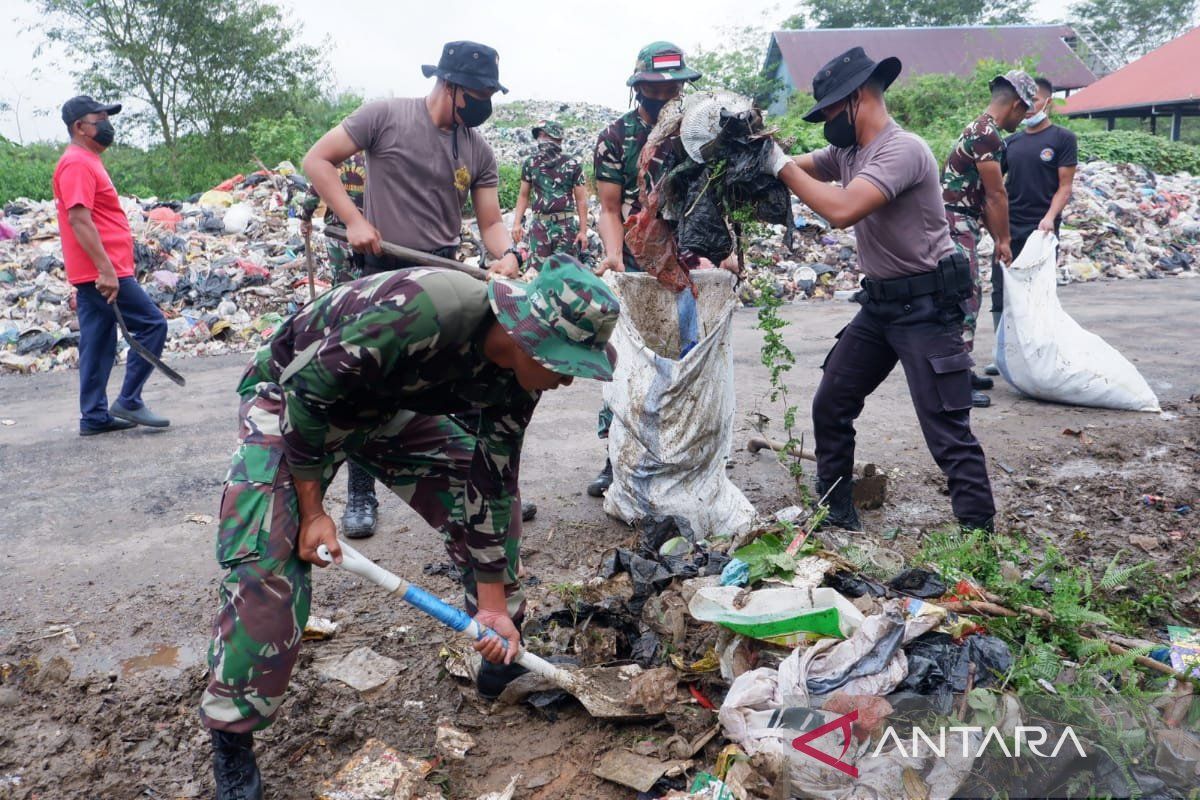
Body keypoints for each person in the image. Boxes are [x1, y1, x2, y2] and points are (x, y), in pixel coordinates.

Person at [199, 256, 620, 799]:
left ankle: (499, 659)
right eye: (565, 363)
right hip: (291, 402)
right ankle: (232, 737)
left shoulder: (521, 379)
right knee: (268, 562)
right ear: (527, 337)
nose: (568, 378)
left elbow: (490, 481)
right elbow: (309, 391)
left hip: (381, 411)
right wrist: (312, 512)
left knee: (493, 506)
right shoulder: (428, 309)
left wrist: (492, 606)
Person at [302, 41, 531, 537]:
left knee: (455, 381)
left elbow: (490, 221)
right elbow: (317, 161)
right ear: (448, 84)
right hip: (379, 270)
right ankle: (361, 496)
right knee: (365, 379)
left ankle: (483, 492)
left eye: (491, 92)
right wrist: (355, 219)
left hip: (442, 273)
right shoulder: (384, 117)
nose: (484, 102)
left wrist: (507, 254)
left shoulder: (476, 148)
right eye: (478, 92)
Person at [766, 47, 996, 533]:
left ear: (858, 98)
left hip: (928, 310)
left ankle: (980, 543)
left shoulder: (903, 149)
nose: (827, 119)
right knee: (832, 403)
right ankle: (836, 515)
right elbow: (802, 165)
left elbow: (844, 209)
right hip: (881, 308)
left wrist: (779, 166)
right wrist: (766, 155)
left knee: (946, 432)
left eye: (830, 108)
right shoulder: (846, 152)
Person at [587, 41, 702, 497]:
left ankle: (684, 453)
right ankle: (616, 457)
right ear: (641, 87)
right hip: (635, 260)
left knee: (684, 357)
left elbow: (712, 199)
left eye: (675, 84)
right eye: (658, 85)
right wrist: (615, 258)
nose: (668, 92)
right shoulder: (616, 137)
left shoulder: (695, 132)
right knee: (627, 363)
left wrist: (722, 254)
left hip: (687, 261)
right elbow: (609, 208)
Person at [53, 96, 170, 436]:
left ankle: (93, 416)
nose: (106, 124)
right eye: (99, 118)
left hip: (98, 269)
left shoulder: (85, 159)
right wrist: (106, 270)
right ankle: (129, 399)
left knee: (99, 341)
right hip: (103, 271)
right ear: (79, 127)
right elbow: (79, 219)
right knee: (152, 325)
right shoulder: (77, 163)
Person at [941, 70, 1035, 407]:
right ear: (1015, 105)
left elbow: (983, 195)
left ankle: (962, 371)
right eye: (1024, 111)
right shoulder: (988, 135)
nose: (1024, 119)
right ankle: (955, 382)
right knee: (964, 299)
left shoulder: (981, 129)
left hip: (960, 221)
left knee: (967, 297)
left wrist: (996, 236)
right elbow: (997, 196)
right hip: (954, 224)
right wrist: (1004, 241)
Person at [986, 76, 1077, 374]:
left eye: (1035, 100)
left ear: (1048, 102)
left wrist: (1049, 218)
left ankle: (1038, 352)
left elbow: (1065, 186)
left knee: (1037, 291)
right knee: (1001, 290)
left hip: (1042, 229)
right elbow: (996, 186)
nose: (1029, 107)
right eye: (1025, 101)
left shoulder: (1063, 139)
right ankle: (1002, 354)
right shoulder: (1011, 142)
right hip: (1009, 228)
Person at [511, 120, 588, 271]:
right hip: (540, 226)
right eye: (540, 135)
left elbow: (581, 200)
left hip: (566, 227)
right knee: (536, 274)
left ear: (557, 138)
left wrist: (583, 232)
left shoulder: (573, 164)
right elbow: (523, 196)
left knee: (565, 275)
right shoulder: (530, 163)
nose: (541, 139)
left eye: (545, 135)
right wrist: (516, 223)